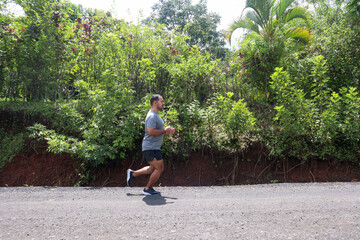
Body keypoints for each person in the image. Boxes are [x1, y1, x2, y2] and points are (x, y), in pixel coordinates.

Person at [126, 94, 175, 195]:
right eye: (162, 101)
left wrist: (166, 130)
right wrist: (164, 131)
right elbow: (151, 131)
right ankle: (147, 189)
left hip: (152, 147)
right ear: (155, 103)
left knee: (153, 168)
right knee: (160, 168)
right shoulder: (152, 116)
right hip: (151, 147)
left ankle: (133, 173)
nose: (163, 103)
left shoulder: (155, 115)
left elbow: (157, 130)